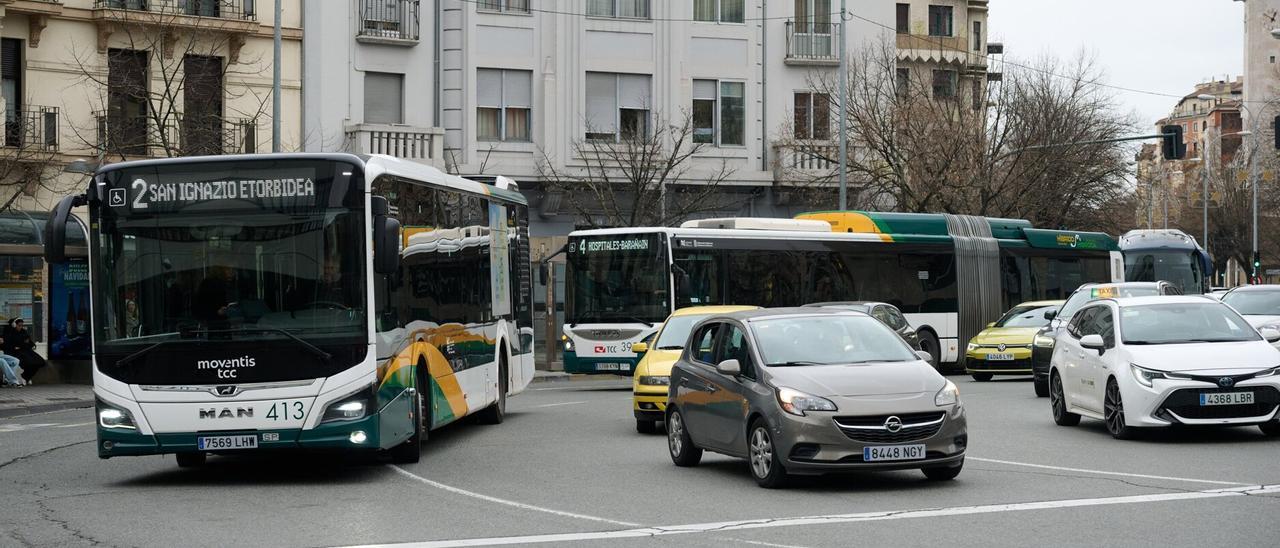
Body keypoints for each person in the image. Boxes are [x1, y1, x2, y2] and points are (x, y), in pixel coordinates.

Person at [4, 318, 44, 384]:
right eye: (19, 325)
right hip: (17, 352)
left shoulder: (23, 332)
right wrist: (21, 344)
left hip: (27, 350)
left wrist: (29, 344)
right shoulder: (10, 333)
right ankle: (25, 377)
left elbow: (28, 341)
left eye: (22, 325)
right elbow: (10, 344)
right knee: (28, 363)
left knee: (40, 362)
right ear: (14, 325)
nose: (21, 327)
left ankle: (26, 376)